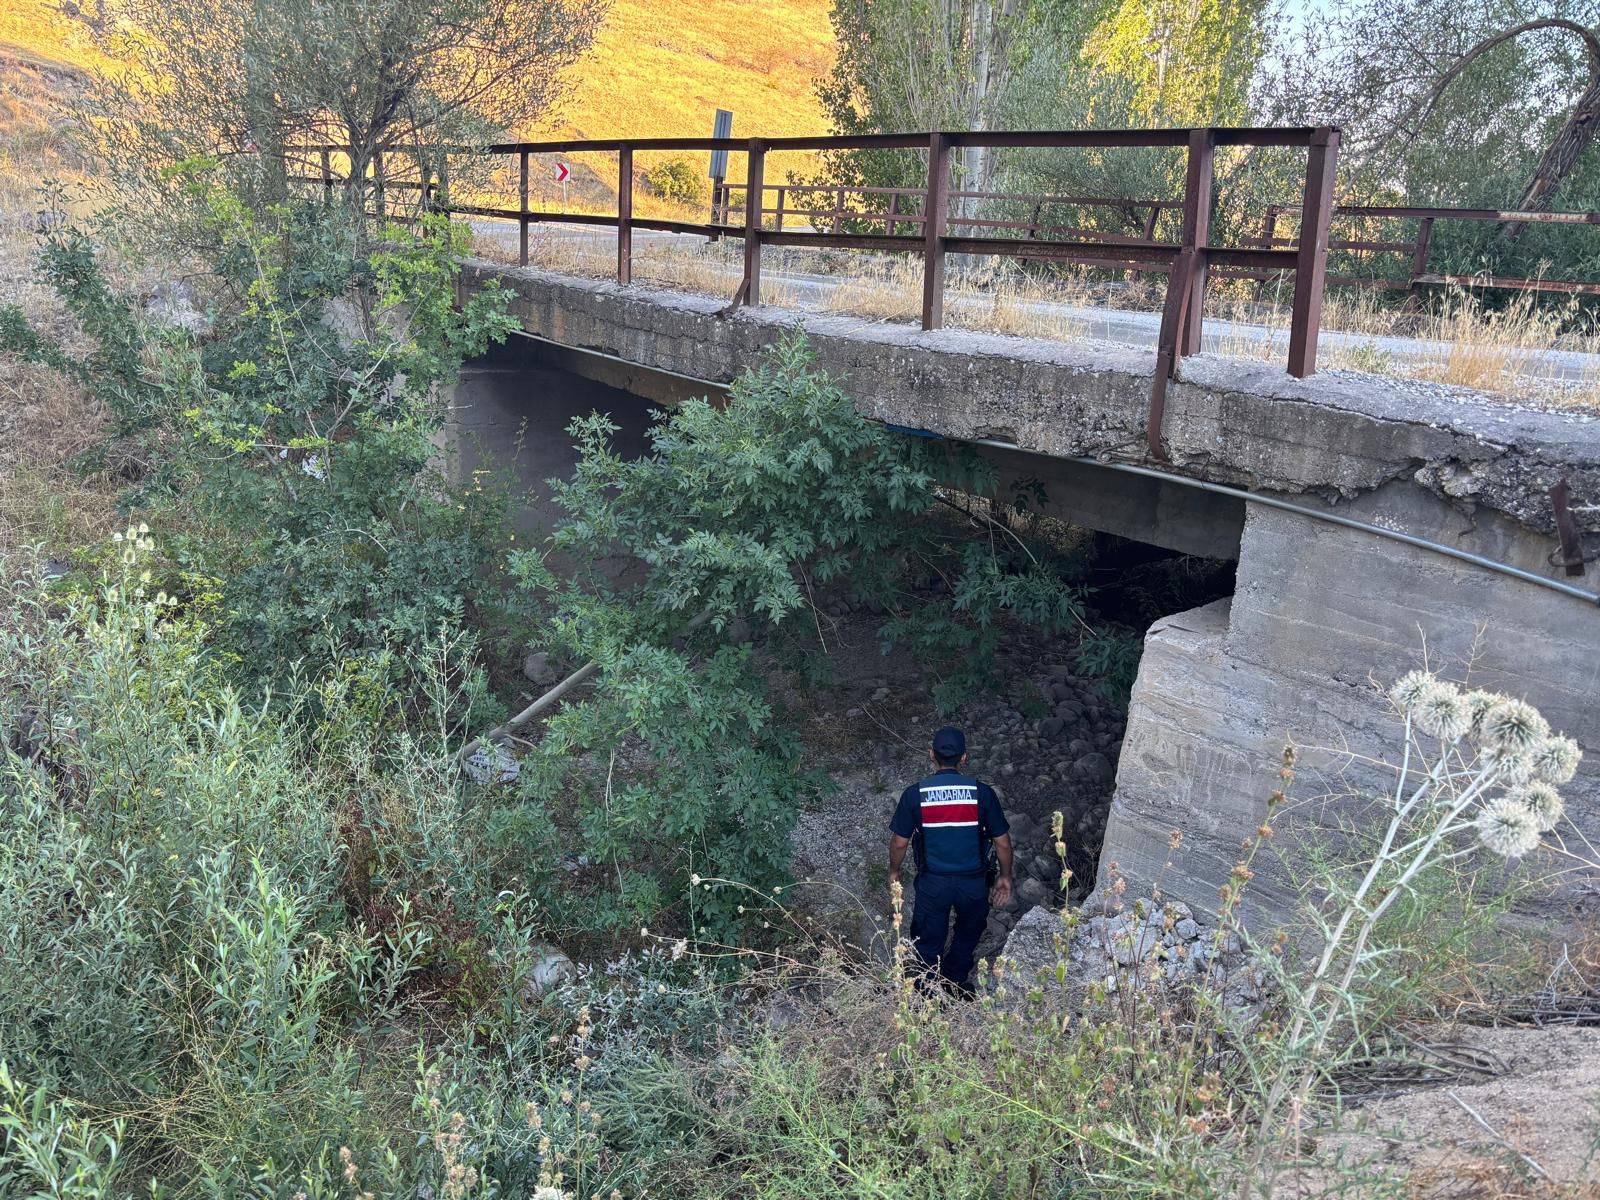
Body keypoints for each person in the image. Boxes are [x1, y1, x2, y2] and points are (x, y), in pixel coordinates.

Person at [887, 726, 1013, 992]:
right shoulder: (982, 793)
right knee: (968, 934)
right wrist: (1005, 876)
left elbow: (899, 842)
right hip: (973, 883)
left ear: (931, 755)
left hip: (933, 883)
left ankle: (926, 992)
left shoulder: (915, 794)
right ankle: (954, 983)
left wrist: (894, 871)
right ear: (964, 757)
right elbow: (1002, 842)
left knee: (927, 940)